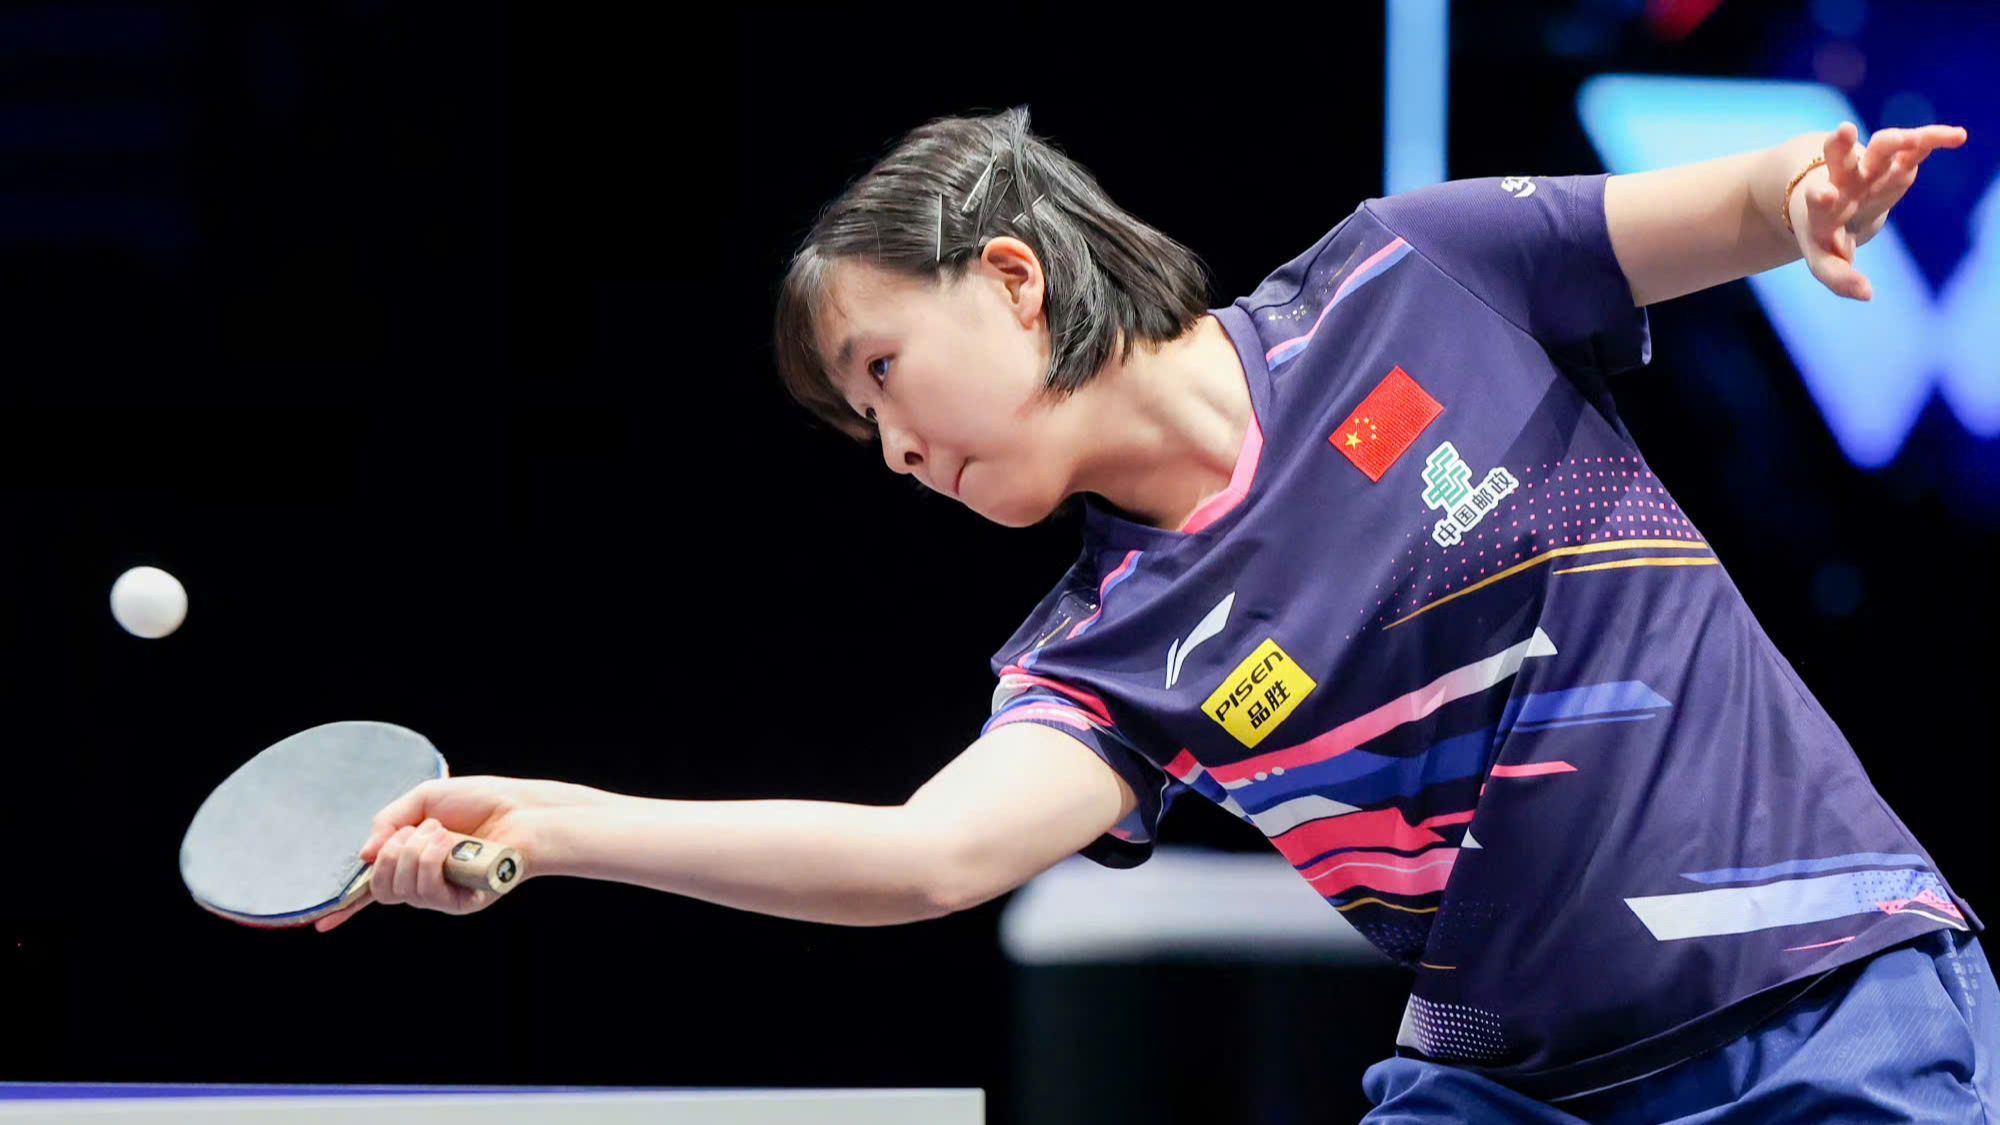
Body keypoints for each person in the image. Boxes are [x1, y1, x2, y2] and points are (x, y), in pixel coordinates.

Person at [326, 106, 1994, 1120]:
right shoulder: (1103, 654)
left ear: (1010, 276)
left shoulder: (1410, 279)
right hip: (1515, 1091)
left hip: (1821, 1006)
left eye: (884, 372)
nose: (894, 449)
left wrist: (1806, 198)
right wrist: (556, 828)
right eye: (861, 426)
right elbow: (924, 857)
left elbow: (1738, 203)